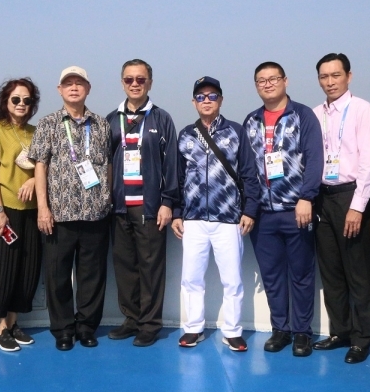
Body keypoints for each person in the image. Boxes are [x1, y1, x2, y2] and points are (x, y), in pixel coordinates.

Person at [173, 77, 260, 351]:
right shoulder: (186, 134)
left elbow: (249, 174)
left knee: (232, 279)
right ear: (194, 102)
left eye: (212, 96)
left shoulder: (236, 131)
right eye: (201, 96)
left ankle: (232, 331)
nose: (206, 100)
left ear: (220, 99)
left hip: (228, 218)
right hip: (194, 219)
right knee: (191, 278)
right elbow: (177, 178)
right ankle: (193, 328)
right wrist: (177, 212)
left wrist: (250, 210)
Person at [243, 61, 324, 357]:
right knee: (272, 275)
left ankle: (302, 332)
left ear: (285, 81)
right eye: (261, 80)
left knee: (301, 274)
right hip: (263, 213)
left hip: (296, 210)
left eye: (273, 78)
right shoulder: (251, 120)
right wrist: (249, 208)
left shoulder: (302, 115)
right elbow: (246, 169)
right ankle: (280, 329)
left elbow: (315, 159)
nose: (268, 84)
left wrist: (307, 197)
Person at [29, 66, 113, 351]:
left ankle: (87, 327)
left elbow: (107, 164)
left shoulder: (101, 124)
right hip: (59, 215)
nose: (74, 87)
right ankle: (63, 330)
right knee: (58, 276)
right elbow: (40, 166)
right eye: (68, 83)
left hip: (95, 213)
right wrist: (43, 208)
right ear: (60, 90)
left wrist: (107, 198)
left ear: (88, 88)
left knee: (93, 276)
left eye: (79, 83)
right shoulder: (48, 123)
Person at [311, 53, 370, 363]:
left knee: (358, 272)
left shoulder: (363, 110)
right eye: (324, 76)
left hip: (351, 196)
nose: (330, 82)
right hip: (323, 197)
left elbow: (368, 162)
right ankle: (340, 331)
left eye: (336, 75)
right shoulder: (316, 114)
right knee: (331, 271)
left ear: (348, 76)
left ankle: (362, 338)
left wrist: (358, 207)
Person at [106, 59, 179, 347]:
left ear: (149, 82)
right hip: (119, 207)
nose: (135, 84)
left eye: (140, 79)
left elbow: (171, 164)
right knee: (125, 268)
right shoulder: (112, 119)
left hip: (150, 208)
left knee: (151, 269)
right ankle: (131, 319)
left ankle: (149, 324)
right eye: (129, 79)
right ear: (122, 82)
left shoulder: (161, 118)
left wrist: (167, 202)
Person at [0, 78, 42, 352]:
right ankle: (1, 328)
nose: (21, 104)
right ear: (6, 101)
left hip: (31, 210)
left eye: (26, 100)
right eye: (15, 99)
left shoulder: (35, 132)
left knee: (25, 269)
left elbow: (43, 167)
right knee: (2, 268)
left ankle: (15, 323)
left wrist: (33, 181)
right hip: (4, 209)